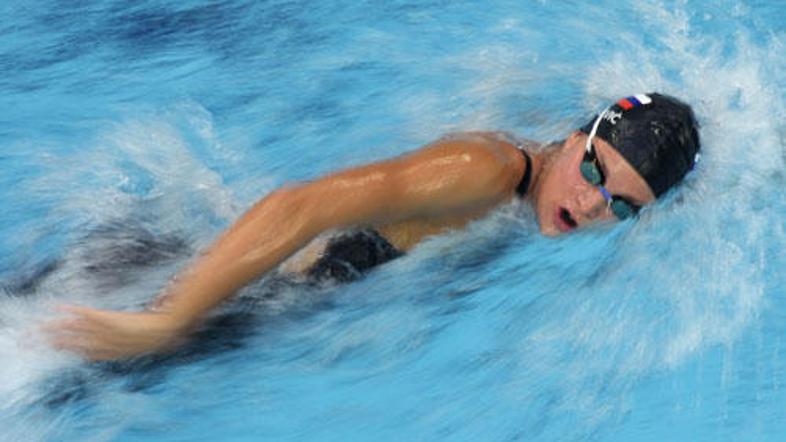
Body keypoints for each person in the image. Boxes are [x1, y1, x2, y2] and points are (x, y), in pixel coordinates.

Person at [45, 92, 700, 361]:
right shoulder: (484, 169)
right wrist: (168, 320)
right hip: (178, 287)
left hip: (236, 294)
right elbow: (295, 208)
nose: (591, 207)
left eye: (619, 205)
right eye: (594, 173)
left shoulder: (528, 185)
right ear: (569, 137)